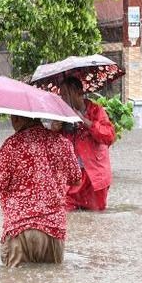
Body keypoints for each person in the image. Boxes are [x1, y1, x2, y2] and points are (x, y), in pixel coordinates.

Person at [0, 115, 82, 267]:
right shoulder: (62, 143)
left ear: (17, 118)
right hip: (53, 230)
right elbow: (76, 178)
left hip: (19, 229)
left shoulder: (12, 145)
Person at [57, 76, 116, 212]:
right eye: (62, 95)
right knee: (67, 215)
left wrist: (85, 121)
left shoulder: (96, 111)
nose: (63, 99)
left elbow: (109, 136)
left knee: (95, 218)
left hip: (95, 178)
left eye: (66, 94)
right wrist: (55, 129)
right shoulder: (62, 116)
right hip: (72, 179)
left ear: (78, 92)